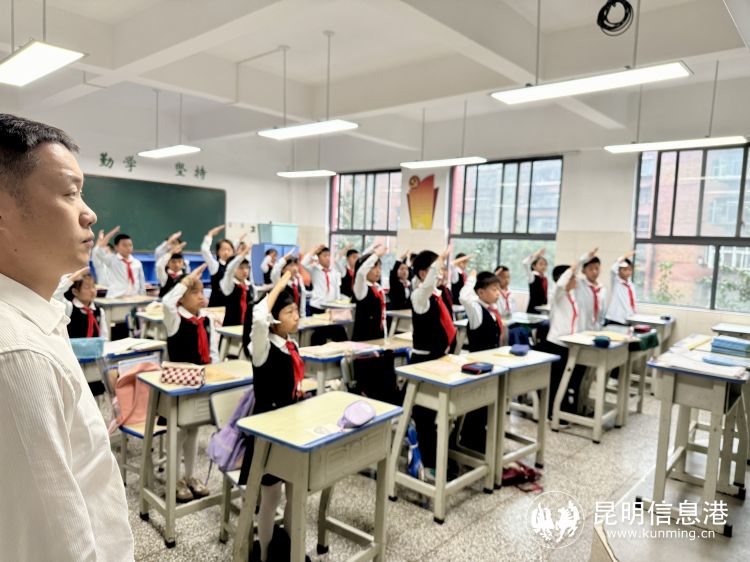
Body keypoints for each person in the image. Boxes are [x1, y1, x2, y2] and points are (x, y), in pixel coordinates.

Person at [0, 113, 133, 559]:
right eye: (69, 193)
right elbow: (54, 547)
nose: (89, 213)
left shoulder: (34, 319)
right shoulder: (18, 356)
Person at [248, 272, 309, 562]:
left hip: (291, 428)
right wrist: (281, 283)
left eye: (297, 311)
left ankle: (292, 551)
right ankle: (263, 555)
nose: (296, 317)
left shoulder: (291, 344)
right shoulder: (261, 347)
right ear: (274, 319)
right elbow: (258, 317)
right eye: (289, 312)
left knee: (295, 492)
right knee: (271, 498)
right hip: (267, 433)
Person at [162, 264, 216, 502]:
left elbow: (213, 353)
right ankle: (174, 480)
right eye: (195, 292)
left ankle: (189, 476)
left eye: (202, 291)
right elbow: (166, 302)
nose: (201, 296)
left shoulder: (206, 320)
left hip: (201, 384)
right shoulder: (174, 318)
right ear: (181, 298)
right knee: (178, 433)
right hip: (179, 388)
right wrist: (186, 280)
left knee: (194, 430)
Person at [351, 245, 387, 341]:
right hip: (363, 338)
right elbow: (360, 273)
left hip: (378, 336)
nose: (378, 271)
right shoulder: (361, 288)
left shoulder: (378, 288)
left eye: (379, 267)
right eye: (373, 267)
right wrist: (375, 255)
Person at [201, 224, 236, 307]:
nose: (226, 252)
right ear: (217, 252)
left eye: (229, 250)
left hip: (231, 304)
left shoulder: (235, 266)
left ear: (233, 251)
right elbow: (205, 251)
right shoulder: (215, 265)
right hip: (217, 305)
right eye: (223, 249)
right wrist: (210, 234)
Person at [220, 244, 254, 327]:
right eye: (241, 268)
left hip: (246, 326)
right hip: (231, 327)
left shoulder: (250, 286)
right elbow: (230, 269)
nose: (245, 271)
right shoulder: (228, 284)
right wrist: (242, 255)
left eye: (247, 267)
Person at [605, 251, 637, 326]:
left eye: (630, 269)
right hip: (614, 319)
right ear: (619, 270)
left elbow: (631, 303)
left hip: (627, 319)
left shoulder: (631, 285)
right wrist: (624, 257)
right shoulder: (616, 281)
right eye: (625, 269)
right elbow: (613, 269)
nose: (628, 272)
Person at [576, 253, 606, 331]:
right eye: (590, 269)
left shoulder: (602, 288)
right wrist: (584, 258)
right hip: (581, 328)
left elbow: (602, 310)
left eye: (597, 268)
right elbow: (571, 273)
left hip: (596, 328)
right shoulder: (579, 284)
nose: (594, 272)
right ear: (583, 271)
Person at [523, 247, 549, 313]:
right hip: (533, 310)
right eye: (541, 264)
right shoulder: (532, 276)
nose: (544, 266)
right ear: (534, 266)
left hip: (543, 309)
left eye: (545, 264)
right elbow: (525, 263)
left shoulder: (544, 278)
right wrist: (536, 255)